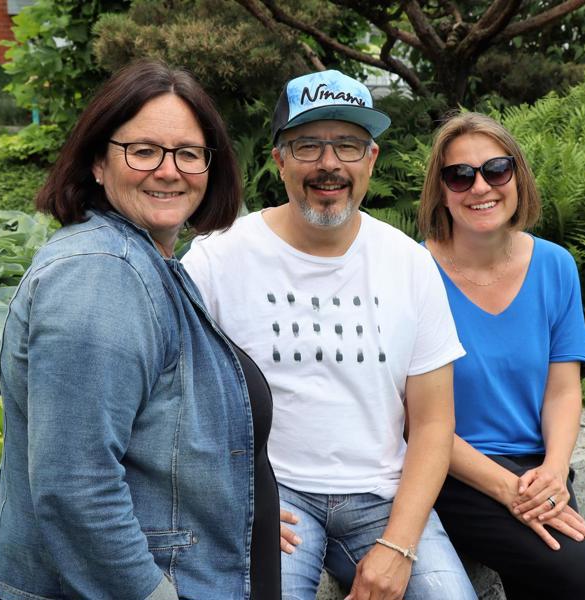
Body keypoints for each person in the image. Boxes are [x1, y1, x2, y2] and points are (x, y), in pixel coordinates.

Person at [0, 61, 280, 600]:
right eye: (143, 151)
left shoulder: (148, 261)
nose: (170, 171)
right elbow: (77, 488)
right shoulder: (102, 274)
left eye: (189, 153)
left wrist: (235, 512)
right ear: (98, 162)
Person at [182, 70, 476, 600]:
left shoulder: (409, 263)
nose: (329, 163)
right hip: (273, 493)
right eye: (308, 145)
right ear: (279, 160)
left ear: (371, 160)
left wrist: (400, 545)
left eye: (347, 144)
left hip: (381, 497)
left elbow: (434, 423)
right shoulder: (216, 257)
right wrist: (234, 495)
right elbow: (174, 398)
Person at [417, 111, 585, 599]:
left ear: (518, 177)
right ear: (441, 189)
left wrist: (554, 468)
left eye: (496, 169)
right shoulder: (413, 272)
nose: (480, 187)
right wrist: (508, 490)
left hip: (537, 469)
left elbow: (562, 390)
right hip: (451, 474)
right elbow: (416, 421)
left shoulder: (555, 265)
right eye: (460, 175)